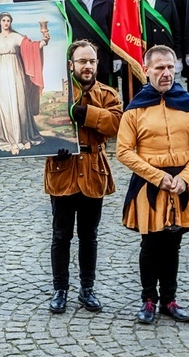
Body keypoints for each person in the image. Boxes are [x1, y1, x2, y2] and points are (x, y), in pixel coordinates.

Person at [117, 45, 189, 324]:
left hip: (182, 184)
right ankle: (148, 299)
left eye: (170, 67)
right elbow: (124, 150)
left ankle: (169, 299)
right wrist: (157, 176)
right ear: (146, 70)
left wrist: (185, 177)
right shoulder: (135, 109)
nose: (166, 73)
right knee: (150, 244)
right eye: (160, 68)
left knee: (173, 243)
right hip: (150, 185)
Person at [45, 39, 122, 315]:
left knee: (89, 235)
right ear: (71, 65)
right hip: (62, 170)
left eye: (91, 61)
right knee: (61, 234)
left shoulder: (108, 94)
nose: (87, 66)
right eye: (82, 61)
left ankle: (87, 288)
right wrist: (55, 145)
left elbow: (115, 124)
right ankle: (60, 288)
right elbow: (42, 123)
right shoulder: (57, 93)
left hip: (92, 169)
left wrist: (87, 114)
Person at [0, 11, 48, 155]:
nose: (6, 23)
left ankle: (24, 138)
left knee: (20, 104)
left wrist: (44, 41)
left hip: (16, 71)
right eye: (4, 20)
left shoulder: (16, 37)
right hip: (1, 74)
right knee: (5, 106)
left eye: (8, 20)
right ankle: (11, 140)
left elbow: (31, 47)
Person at [64, 0, 118, 87]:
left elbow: (113, 29)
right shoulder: (68, 2)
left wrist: (116, 57)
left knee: (105, 93)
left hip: (103, 57)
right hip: (80, 59)